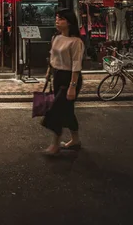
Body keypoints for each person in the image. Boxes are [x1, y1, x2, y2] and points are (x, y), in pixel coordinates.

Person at [42, 9, 84, 156]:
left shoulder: (76, 42)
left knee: (56, 111)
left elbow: (76, 65)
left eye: (60, 18)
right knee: (68, 111)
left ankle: (55, 144)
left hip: (70, 78)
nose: (57, 21)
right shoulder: (56, 38)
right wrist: (47, 76)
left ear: (69, 22)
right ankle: (76, 140)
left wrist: (72, 86)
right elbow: (52, 58)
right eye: (56, 18)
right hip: (57, 76)